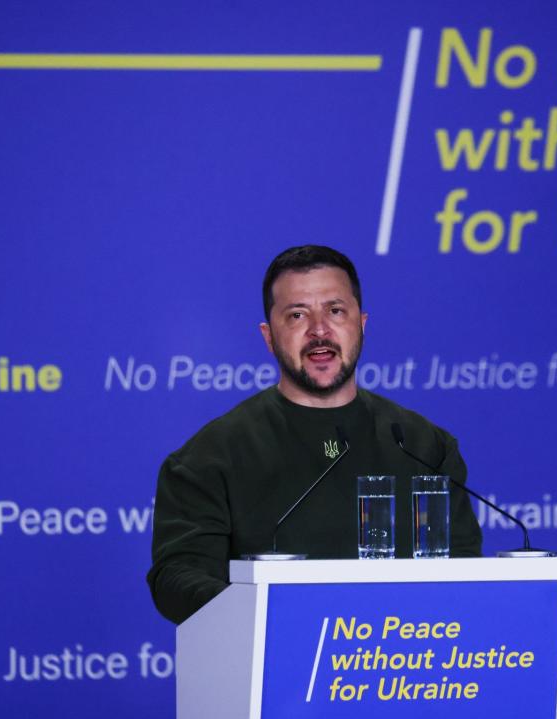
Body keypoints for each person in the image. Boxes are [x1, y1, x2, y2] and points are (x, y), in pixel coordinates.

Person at [147, 245, 482, 624]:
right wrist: (275, 618)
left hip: (406, 670)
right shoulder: (209, 457)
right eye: (297, 315)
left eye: (335, 311)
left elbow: (465, 569)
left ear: (362, 323)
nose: (320, 330)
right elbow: (177, 580)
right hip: (274, 668)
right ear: (268, 336)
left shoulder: (424, 446)